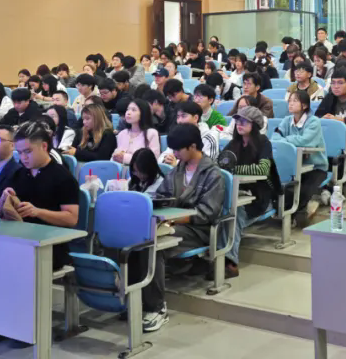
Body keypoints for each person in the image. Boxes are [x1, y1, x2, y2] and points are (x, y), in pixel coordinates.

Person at [1, 121, 81, 272]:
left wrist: (37, 212)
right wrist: (5, 198)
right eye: (20, 153)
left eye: (28, 151)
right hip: (20, 240)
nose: (23, 157)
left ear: (44, 146)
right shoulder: (19, 174)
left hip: (50, 246)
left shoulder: (63, 177)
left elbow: (71, 218)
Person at [158, 124, 228, 281]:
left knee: (156, 241)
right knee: (145, 236)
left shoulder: (213, 174)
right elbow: (162, 197)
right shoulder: (176, 171)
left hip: (198, 230)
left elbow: (207, 213)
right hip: (173, 223)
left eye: (178, 150)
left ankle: (151, 290)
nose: (175, 154)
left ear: (193, 146)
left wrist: (174, 220)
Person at [225, 106, 276, 277]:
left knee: (235, 212)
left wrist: (235, 169)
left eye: (244, 121)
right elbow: (221, 164)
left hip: (258, 196)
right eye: (237, 120)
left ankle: (230, 262)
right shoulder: (234, 143)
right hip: (236, 192)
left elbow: (263, 169)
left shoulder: (264, 142)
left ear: (254, 124)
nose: (239, 124)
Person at [273, 90, 328, 226]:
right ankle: (288, 213)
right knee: (279, 188)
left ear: (304, 105)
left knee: (302, 192)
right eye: (289, 101)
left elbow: (306, 141)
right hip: (293, 166)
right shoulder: (286, 120)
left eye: (295, 101)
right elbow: (275, 137)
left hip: (315, 167)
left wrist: (286, 140)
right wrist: (290, 141)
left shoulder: (314, 121)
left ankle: (292, 215)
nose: (290, 104)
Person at [112, 100, 160, 166]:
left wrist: (125, 158)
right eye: (127, 109)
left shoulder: (151, 133)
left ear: (143, 113)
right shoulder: (122, 134)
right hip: (121, 170)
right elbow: (115, 157)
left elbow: (153, 159)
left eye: (133, 110)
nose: (128, 113)